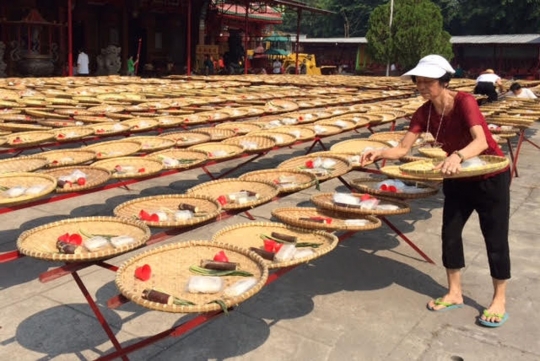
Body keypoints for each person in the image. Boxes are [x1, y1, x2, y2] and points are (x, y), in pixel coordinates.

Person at [361, 54, 511, 328]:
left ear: (443, 81)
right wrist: (378, 151)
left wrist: (457, 156)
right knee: (450, 234)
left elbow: (480, 142)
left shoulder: (464, 101)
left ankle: (499, 298)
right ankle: (455, 292)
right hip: (457, 177)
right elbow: (403, 148)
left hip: (490, 175)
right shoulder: (424, 113)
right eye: (418, 82)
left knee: (495, 237)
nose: (421, 86)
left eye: (427, 82)